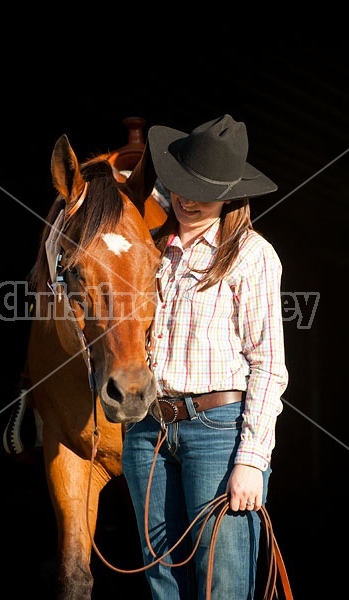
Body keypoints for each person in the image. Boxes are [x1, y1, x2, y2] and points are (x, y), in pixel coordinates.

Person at [121, 114, 289, 600]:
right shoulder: (153, 250)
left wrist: (252, 461)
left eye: (201, 191)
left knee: (224, 583)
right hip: (148, 430)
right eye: (178, 186)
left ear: (233, 194)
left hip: (217, 430)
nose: (186, 199)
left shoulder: (252, 256)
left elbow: (268, 364)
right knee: (162, 582)